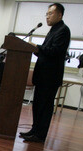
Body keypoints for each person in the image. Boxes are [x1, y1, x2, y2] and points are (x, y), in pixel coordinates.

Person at [21, 3, 70, 143]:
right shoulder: (54, 30)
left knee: (45, 107)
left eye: (50, 14)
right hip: (43, 76)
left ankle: (40, 135)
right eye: (46, 14)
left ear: (59, 15)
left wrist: (37, 47)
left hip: (50, 77)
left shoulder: (63, 30)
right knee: (37, 105)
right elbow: (46, 53)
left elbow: (54, 52)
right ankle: (34, 130)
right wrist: (36, 50)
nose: (47, 17)